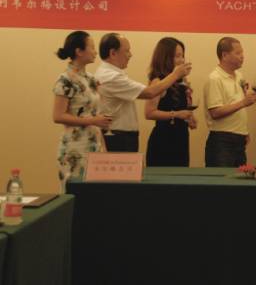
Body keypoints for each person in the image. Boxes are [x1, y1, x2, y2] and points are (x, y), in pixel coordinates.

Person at [94, 33, 192, 152]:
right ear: (113, 53)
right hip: (119, 136)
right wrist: (175, 75)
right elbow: (149, 93)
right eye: (127, 51)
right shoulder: (111, 77)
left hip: (123, 135)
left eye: (182, 56)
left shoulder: (113, 74)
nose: (130, 55)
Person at [52, 31, 112, 189]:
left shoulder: (91, 79)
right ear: (79, 51)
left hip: (94, 142)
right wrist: (92, 121)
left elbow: (96, 116)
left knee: (97, 192)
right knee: (76, 192)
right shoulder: (65, 80)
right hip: (75, 147)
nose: (95, 52)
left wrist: (103, 148)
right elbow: (58, 116)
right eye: (92, 47)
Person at [204, 37, 256, 167]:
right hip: (222, 141)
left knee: (239, 178)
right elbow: (215, 112)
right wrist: (243, 102)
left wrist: (244, 131)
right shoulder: (215, 78)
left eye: (242, 52)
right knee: (222, 179)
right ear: (224, 55)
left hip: (239, 139)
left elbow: (236, 105)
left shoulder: (239, 75)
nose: (242, 56)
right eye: (238, 53)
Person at [144, 37, 196, 167]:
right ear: (165, 58)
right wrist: (176, 114)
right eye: (177, 56)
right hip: (164, 140)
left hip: (181, 139)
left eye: (182, 56)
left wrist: (189, 117)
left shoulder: (181, 81)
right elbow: (149, 113)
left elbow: (181, 108)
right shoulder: (159, 81)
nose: (182, 60)